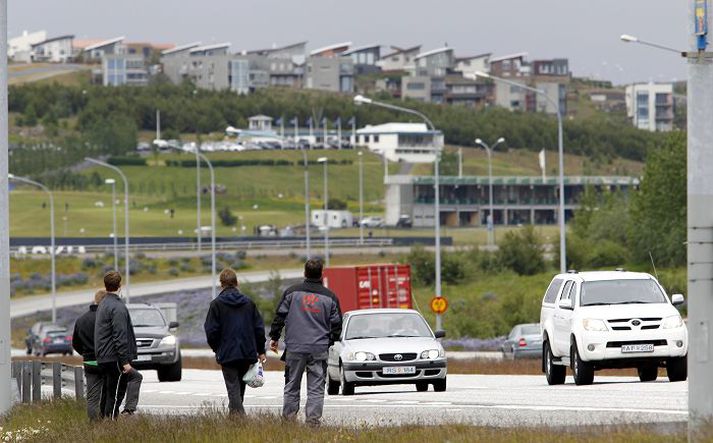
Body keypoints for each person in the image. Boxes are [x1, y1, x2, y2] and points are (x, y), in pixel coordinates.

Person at [269, 258, 342, 427]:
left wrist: (274, 337)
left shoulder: (291, 293)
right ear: (322, 274)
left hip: (295, 348)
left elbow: (280, 316)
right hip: (318, 349)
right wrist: (329, 341)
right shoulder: (330, 297)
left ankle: (288, 422)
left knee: (292, 385)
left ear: (304, 273)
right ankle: (312, 423)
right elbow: (337, 324)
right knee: (316, 389)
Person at [204, 268, 267, 415]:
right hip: (247, 351)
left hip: (227, 352)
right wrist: (261, 351)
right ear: (237, 283)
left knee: (233, 387)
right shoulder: (249, 303)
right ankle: (234, 419)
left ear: (221, 284)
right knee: (240, 387)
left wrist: (217, 348)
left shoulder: (216, 305)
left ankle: (239, 417)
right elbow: (259, 328)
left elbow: (210, 331)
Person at [94, 271, 137, 420]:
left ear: (106, 285)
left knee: (107, 392)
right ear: (120, 285)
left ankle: (102, 420)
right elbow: (119, 336)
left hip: (104, 356)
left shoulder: (103, 304)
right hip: (115, 358)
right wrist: (124, 361)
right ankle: (111, 423)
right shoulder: (117, 307)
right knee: (116, 393)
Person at [72, 289, 108, 421]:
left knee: (92, 397)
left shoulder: (81, 319)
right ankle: (108, 423)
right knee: (108, 393)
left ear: (95, 300)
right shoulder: (108, 318)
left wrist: (86, 354)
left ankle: (94, 425)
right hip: (107, 361)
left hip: (90, 362)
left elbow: (75, 343)